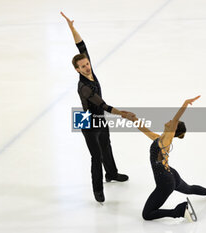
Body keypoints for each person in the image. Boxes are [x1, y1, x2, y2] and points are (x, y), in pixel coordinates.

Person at [61, 12, 133, 203]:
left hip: (99, 116)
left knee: (106, 146)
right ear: (77, 70)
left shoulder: (89, 67)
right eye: (83, 66)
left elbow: (81, 45)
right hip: (87, 122)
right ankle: (97, 190)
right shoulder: (83, 87)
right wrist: (122, 114)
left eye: (87, 64)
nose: (87, 67)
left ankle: (112, 173)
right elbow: (103, 105)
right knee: (96, 156)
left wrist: (71, 28)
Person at [124, 95, 206, 221]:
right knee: (189, 189)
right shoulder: (159, 139)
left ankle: (179, 211)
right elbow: (143, 129)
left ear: (174, 128)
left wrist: (185, 104)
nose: (170, 121)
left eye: (173, 123)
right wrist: (133, 119)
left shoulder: (166, 140)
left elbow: (176, 119)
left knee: (147, 215)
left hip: (165, 182)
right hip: (171, 174)